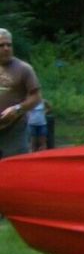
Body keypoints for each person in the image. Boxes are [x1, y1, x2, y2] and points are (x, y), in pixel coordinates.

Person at [0, 28, 42, 158]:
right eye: (1, 45)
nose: (6, 48)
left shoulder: (24, 68)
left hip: (14, 130)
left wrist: (17, 109)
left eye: (9, 45)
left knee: (14, 167)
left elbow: (36, 97)